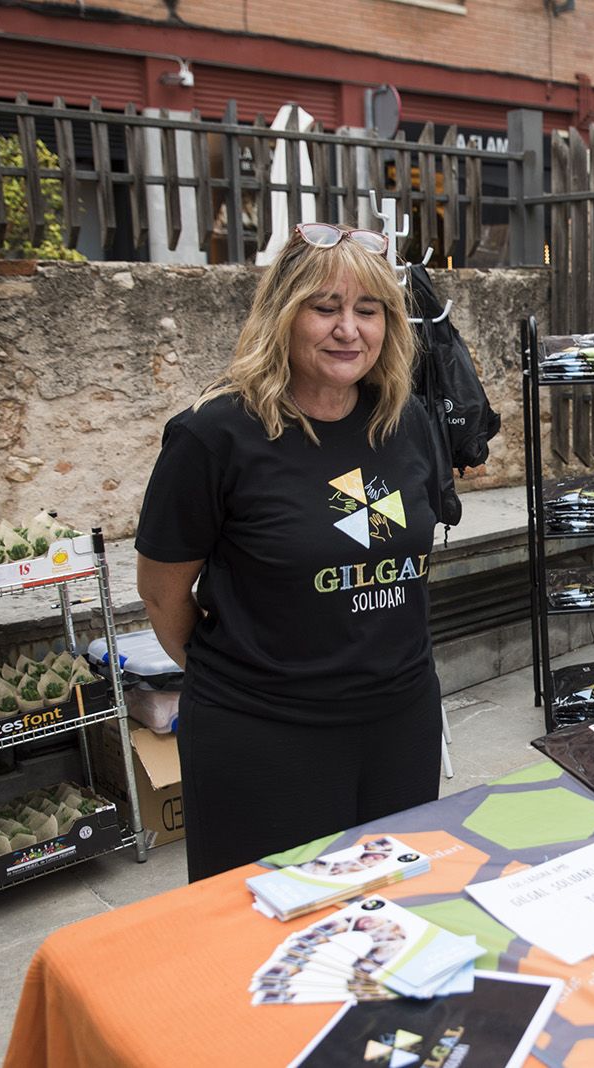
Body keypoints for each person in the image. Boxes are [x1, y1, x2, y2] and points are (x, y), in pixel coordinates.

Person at [135, 221, 445, 882]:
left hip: (400, 722)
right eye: (324, 307)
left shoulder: (406, 419)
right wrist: (249, 674)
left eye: (369, 310)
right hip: (264, 735)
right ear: (283, 313)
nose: (349, 329)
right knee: (264, 935)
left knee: (390, 913)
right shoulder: (213, 434)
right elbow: (163, 592)